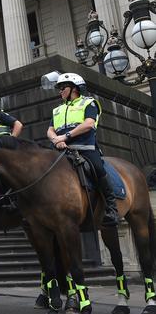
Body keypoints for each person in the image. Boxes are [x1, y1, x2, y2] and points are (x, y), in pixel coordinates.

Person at [46, 72, 118, 227]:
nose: (60, 91)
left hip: (85, 148)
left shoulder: (89, 103)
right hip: (60, 149)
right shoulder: (58, 109)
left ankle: (112, 208)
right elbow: (50, 130)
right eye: (59, 88)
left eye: (63, 87)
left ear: (74, 88)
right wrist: (55, 140)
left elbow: (89, 124)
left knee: (98, 168)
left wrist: (64, 137)